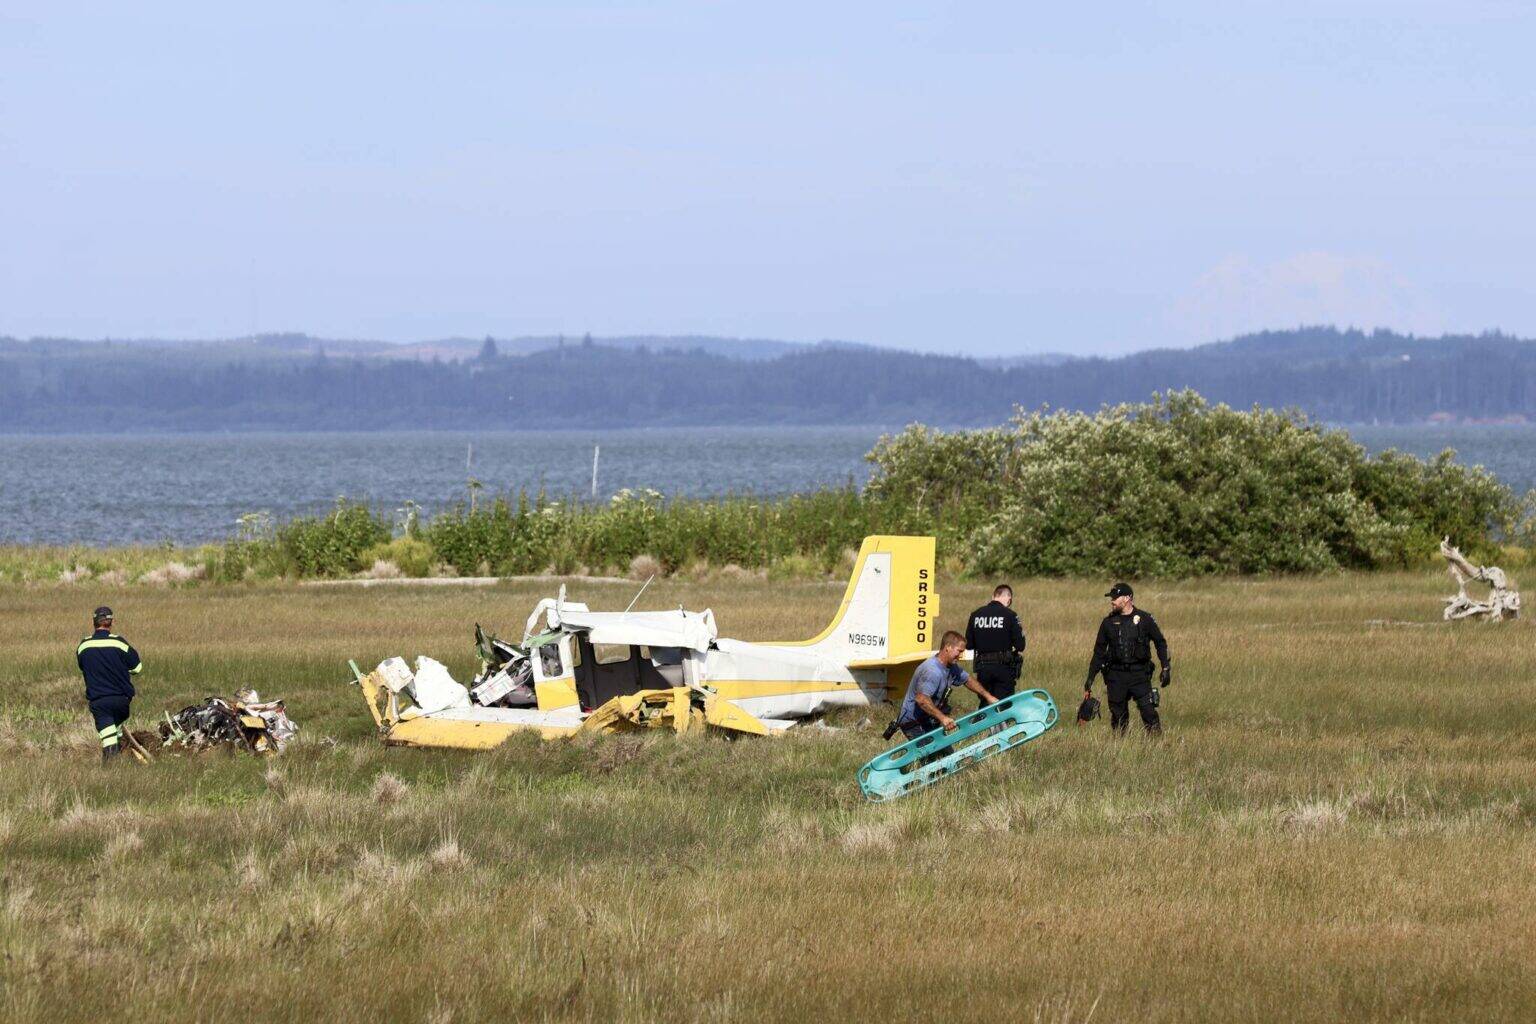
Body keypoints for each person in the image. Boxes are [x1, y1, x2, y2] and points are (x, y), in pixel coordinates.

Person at [1083, 583, 1169, 735]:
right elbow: (1099, 652)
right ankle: (1120, 749)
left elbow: (1160, 643)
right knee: (1118, 718)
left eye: (1116, 598)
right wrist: (1091, 677)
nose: (1112, 601)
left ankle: (1157, 745)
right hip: (1115, 676)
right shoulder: (1108, 623)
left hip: (1140, 674)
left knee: (1149, 713)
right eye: (1112, 598)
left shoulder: (1145, 619)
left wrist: (1166, 667)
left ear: (1128, 598)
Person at [895, 630, 999, 741]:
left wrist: (988, 697)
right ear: (948, 647)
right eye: (959, 651)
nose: (960, 656)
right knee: (929, 755)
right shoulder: (932, 671)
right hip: (913, 722)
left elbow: (967, 679)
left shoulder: (950, 667)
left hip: (927, 718)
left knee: (946, 754)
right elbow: (921, 700)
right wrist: (943, 718)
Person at [75, 606, 143, 761]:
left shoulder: (84, 645)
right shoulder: (119, 642)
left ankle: (110, 772)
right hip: (122, 702)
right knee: (114, 732)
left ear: (94, 622)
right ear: (111, 622)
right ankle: (124, 756)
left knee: (108, 740)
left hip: (100, 702)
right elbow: (137, 668)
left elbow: (82, 665)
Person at [965, 583, 1026, 702]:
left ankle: (983, 721)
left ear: (993, 596)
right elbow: (1020, 645)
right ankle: (1001, 721)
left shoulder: (975, 615)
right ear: (1009, 598)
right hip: (1003, 668)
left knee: (985, 703)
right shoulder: (1010, 615)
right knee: (1003, 705)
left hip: (982, 668)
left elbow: (969, 645)